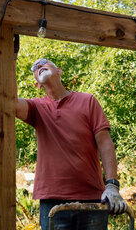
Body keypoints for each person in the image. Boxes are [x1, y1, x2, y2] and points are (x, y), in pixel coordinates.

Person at [16, 58, 127, 230]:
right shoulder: (36, 107)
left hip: (92, 198)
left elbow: (105, 142)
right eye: (35, 68)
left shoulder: (88, 101)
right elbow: (11, 103)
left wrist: (112, 185)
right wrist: (12, 57)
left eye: (44, 63)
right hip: (52, 202)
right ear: (37, 84)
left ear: (59, 71)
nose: (38, 66)